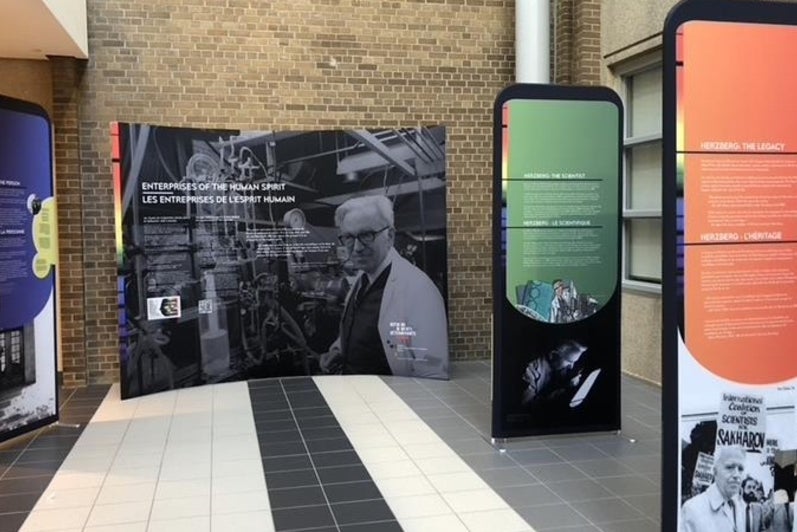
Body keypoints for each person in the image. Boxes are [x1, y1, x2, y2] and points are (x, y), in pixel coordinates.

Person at [319, 195, 448, 378]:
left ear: (390, 236)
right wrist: (338, 351)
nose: (356, 248)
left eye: (366, 235)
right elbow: (360, 327)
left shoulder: (419, 290)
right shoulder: (362, 278)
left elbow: (433, 371)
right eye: (348, 237)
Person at [521, 340, 585, 408]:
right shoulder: (530, 370)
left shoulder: (559, 365)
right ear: (553, 355)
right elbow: (528, 404)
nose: (571, 367)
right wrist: (565, 389)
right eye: (569, 361)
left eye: (574, 362)